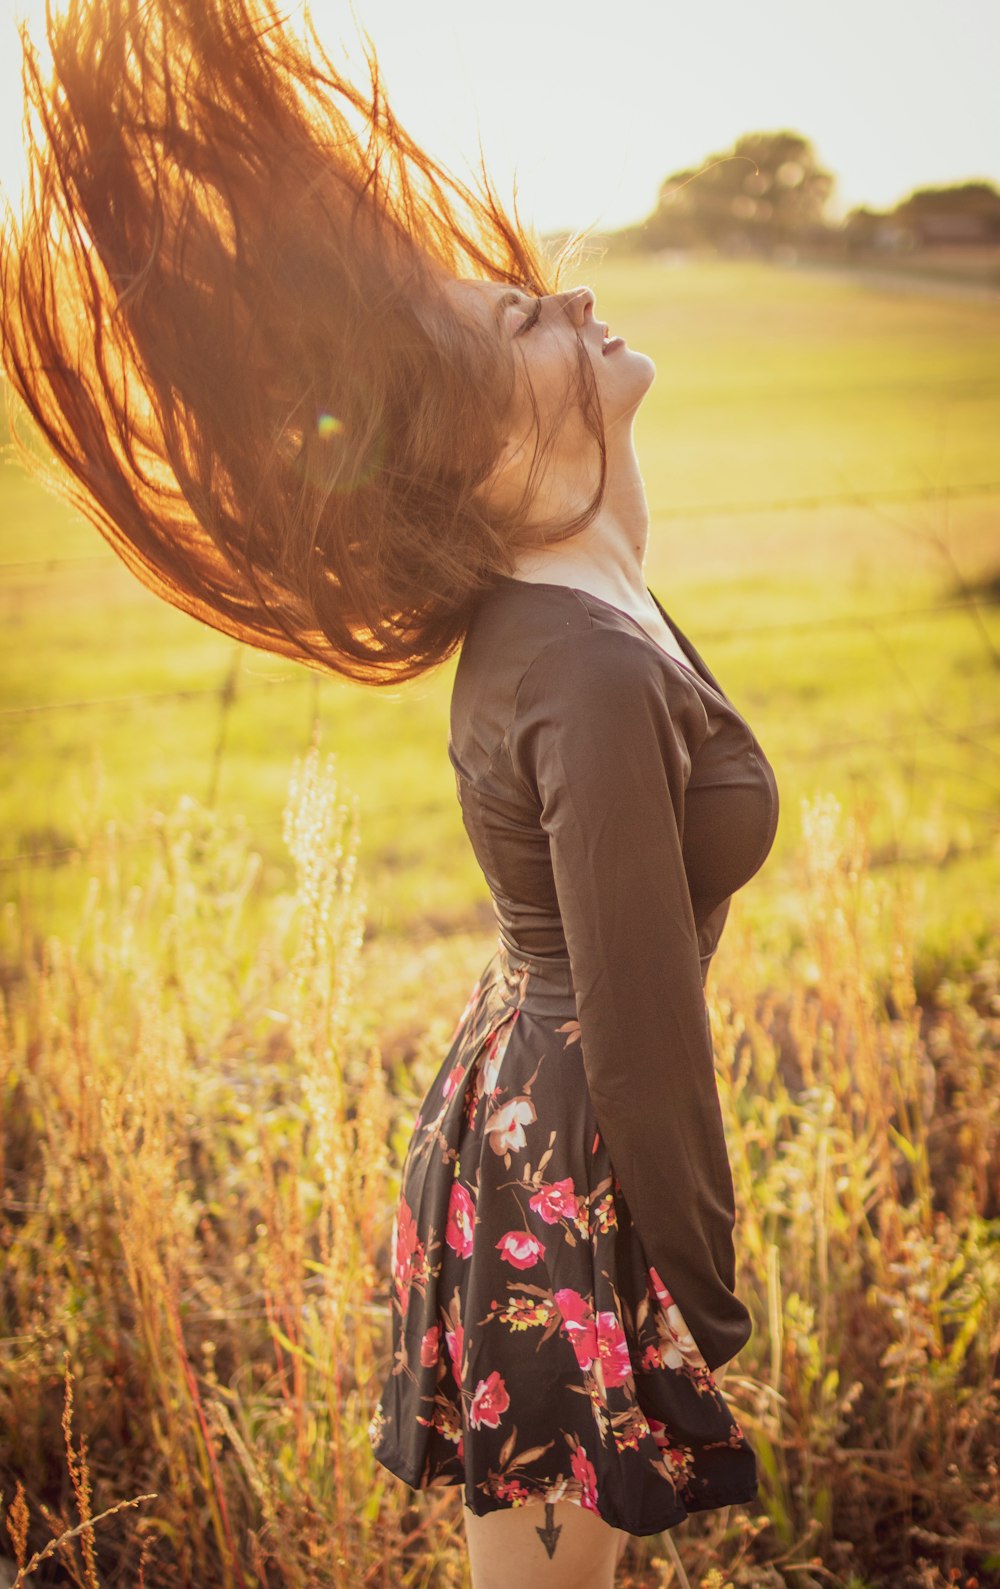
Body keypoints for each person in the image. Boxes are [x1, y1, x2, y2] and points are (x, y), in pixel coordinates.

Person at [1, 3, 778, 1583]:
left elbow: (597, 516)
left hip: (526, 1120)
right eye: (529, 326)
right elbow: (642, 1022)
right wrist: (710, 1283)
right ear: (492, 457)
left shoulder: (569, 591)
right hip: (579, 1155)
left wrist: (530, 377)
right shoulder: (585, 661)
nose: (572, 297)